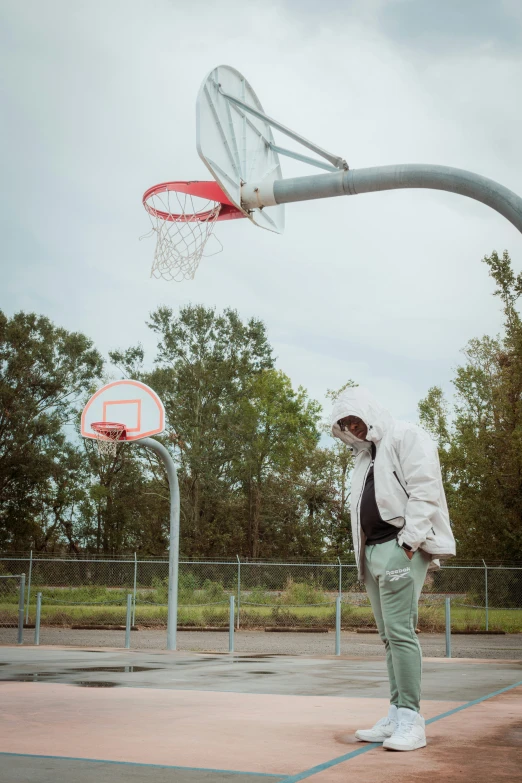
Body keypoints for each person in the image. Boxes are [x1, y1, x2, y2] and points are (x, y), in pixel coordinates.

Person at [331, 386, 455, 752]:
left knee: (401, 633)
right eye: (344, 425)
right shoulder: (363, 458)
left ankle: (412, 721)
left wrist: (408, 544)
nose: (352, 428)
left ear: (368, 413)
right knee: (388, 636)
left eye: (354, 419)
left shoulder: (406, 435)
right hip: (372, 554)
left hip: (400, 547)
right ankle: (397, 712)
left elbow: (425, 490)